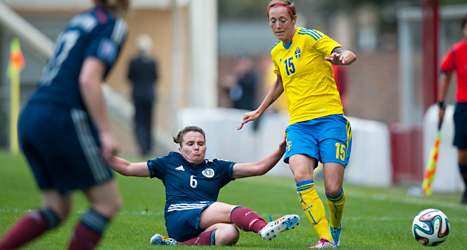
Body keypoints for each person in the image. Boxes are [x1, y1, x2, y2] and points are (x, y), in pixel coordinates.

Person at [0, 1, 129, 249]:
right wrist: (105, 132)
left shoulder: (80, 20)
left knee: (57, 207)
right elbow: (88, 79)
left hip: (32, 112)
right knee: (107, 203)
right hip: (62, 114)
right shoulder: (112, 24)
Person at [237, 1, 356, 248]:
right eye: (273, 21)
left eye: (283, 20)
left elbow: (344, 52)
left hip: (330, 119)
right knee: (302, 175)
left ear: (293, 19)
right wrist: (260, 110)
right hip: (299, 125)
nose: (278, 25)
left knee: (333, 188)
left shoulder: (310, 37)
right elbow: (281, 81)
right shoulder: (276, 52)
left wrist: (344, 57)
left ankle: (335, 227)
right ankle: (326, 239)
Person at [108, 125, 300, 246]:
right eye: (190, 143)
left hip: (202, 222)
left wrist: (281, 149)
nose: (196, 147)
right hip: (179, 216)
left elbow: (258, 168)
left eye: (200, 143)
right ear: (180, 149)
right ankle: (263, 228)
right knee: (227, 210)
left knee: (230, 233)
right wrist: (99, 153)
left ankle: (175, 245)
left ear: (206, 147)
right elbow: (127, 167)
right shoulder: (169, 163)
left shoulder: (217, 167)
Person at [437, 15, 467, 205]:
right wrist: (440, 104)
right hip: (463, 106)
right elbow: (445, 75)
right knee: (463, 153)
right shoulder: (456, 51)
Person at [127, 34, 159, 157]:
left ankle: (142, 147)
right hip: (150, 95)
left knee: (139, 122)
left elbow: (129, 76)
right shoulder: (153, 62)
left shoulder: (134, 62)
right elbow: (156, 77)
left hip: (138, 95)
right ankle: (148, 147)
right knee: (149, 122)